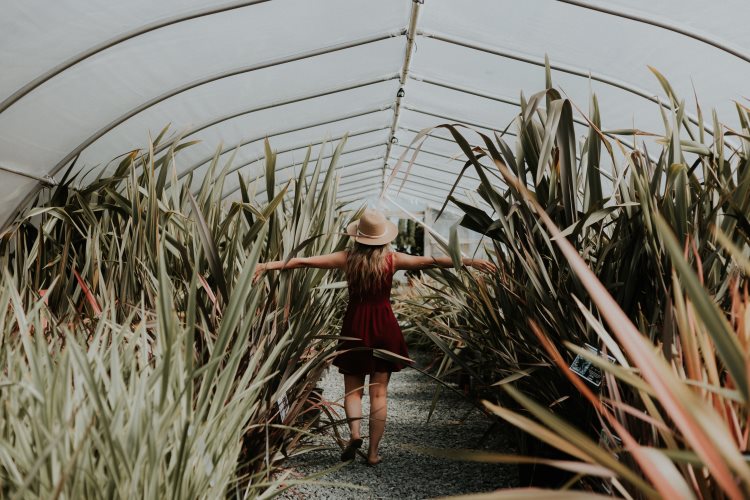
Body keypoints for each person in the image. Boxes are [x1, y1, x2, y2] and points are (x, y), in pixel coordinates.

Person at [254, 209, 495, 466]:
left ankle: (355, 435)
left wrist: (267, 265)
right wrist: (470, 262)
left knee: (353, 391)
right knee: (379, 394)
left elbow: (304, 261)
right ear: (383, 237)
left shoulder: (347, 258)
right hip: (384, 327)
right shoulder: (392, 259)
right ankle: (373, 453)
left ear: (358, 237)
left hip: (355, 327)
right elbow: (432, 261)